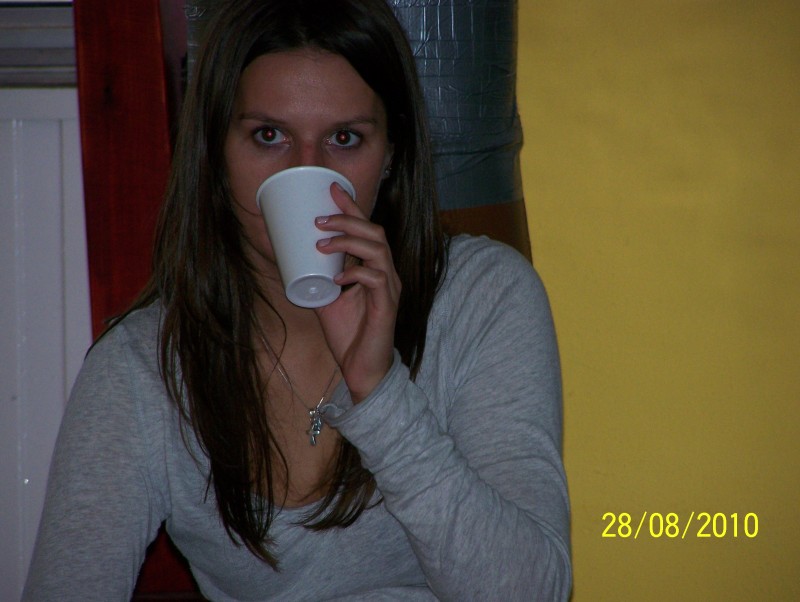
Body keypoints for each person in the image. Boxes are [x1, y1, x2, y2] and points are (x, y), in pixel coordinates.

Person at [23, 0, 571, 599]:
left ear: (391, 154)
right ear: (215, 152)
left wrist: (380, 393)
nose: (306, 171)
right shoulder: (142, 369)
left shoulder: (483, 298)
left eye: (344, 138)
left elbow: (531, 591)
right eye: (269, 135)